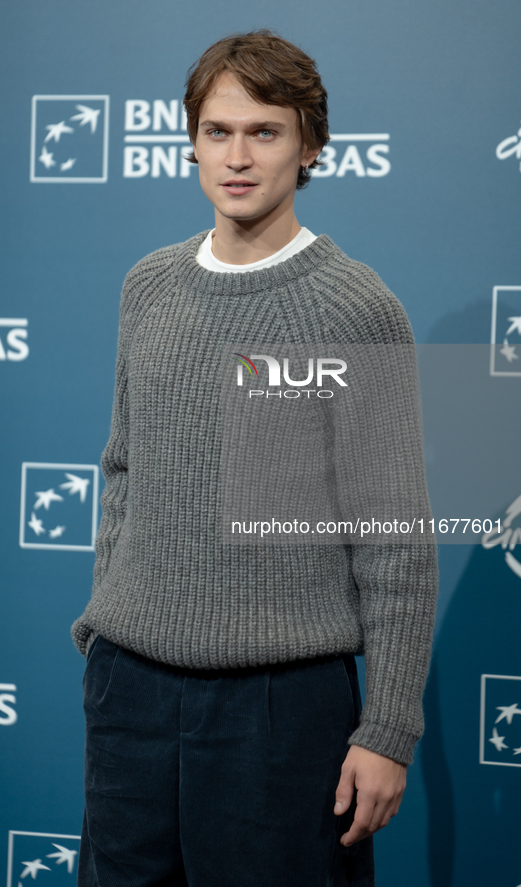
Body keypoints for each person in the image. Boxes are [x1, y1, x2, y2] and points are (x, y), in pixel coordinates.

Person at [72, 28, 439, 887]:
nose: (237, 156)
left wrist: (386, 728)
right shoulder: (148, 284)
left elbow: (394, 537)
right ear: (192, 141)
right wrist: (103, 623)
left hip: (280, 711)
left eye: (264, 132)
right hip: (129, 693)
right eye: (216, 131)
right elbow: (122, 467)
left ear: (309, 144)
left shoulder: (356, 307)